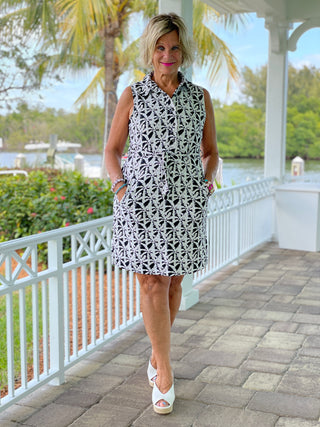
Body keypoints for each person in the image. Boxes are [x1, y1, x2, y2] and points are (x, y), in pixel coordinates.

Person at [104, 13, 219, 415]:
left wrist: (204, 184)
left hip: (186, 204)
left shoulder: (200, 97)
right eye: (159, 47)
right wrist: (120, 189)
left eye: (173, 47)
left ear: (182, 51)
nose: (166, 55)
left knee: (172, 287)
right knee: (152, 283)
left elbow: (211, 153)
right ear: (150, 51)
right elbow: (112, 151)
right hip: (140, 203)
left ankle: (155, 357)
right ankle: (165, 371)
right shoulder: (133, 95)